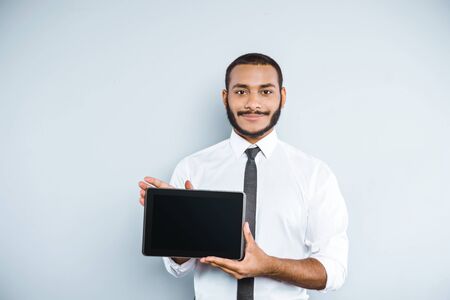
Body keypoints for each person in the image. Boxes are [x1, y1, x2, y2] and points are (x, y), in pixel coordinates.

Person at [138, 53, 348, 300]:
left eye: (266, 92)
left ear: (283, 97)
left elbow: (333, 271)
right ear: (225, 98)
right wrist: (179, 226)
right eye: (241, 92)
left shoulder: (315, 175)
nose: (253, 103)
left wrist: (269, 265)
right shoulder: (193, 168)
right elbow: (176, 268)